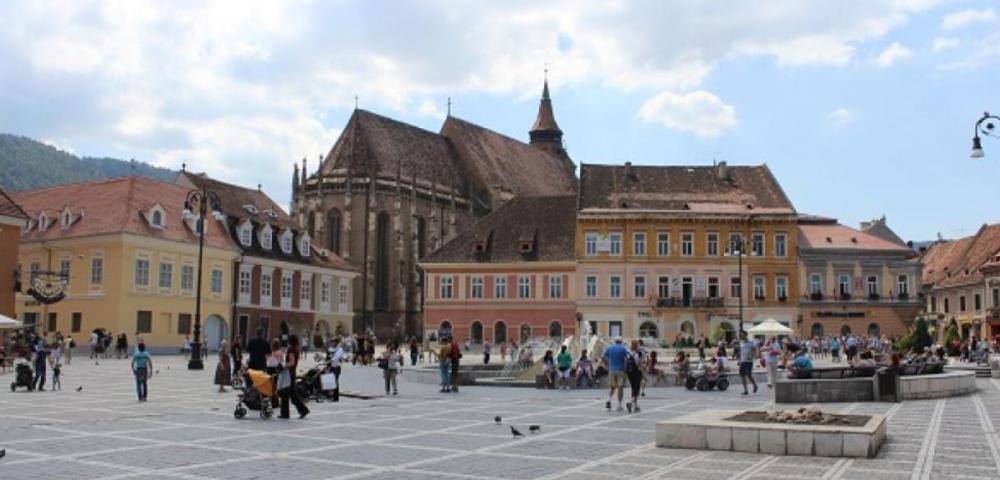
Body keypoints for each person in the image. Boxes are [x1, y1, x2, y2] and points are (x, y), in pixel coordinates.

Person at [279, 335, 309, 419]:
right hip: (292, 373)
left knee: (287, 393)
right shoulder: (296, 349)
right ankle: (286, 413)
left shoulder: (291, 350)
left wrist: (284, 366)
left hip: (289, 373)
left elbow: (292, 362)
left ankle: (301, 410)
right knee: (289, 393)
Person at [603, 336, 628, 412]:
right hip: (621, 369)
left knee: (612, 387)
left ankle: (608, 400)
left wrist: (607, 364)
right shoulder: (623, 348)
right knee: (620, 387)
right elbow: (626, 358)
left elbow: (604, 357)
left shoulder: (610, 348)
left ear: (614, 341)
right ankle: (619, 405)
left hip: (612, 369)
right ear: (621, 341)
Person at [625, 340, 644, 413]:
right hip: (636, 371)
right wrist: (642, 372)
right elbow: (640, 363)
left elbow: (625, 362)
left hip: (629, 372)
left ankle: (635, 404)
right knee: (637, 388)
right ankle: (631, 402)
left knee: (633, 387)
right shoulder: (639, 353)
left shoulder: (628, 352)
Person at [737, 331, 758, 396]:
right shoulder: (741, 343)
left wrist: (754, 356)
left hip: (749, 361)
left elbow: (755, 349)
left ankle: (755, 385)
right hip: (742, 361)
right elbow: (740, 352)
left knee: (749, 375)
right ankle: (745, 390)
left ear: (746, 335)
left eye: (743, 335)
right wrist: (739, 360)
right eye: (741, 335)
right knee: (742, 376)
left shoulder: (751, 342)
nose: (741, 336)